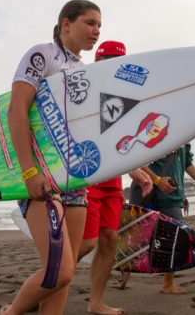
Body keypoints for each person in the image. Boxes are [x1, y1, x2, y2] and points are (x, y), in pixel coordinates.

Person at [1, 0, 101, 315]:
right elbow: (17, 109)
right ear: (66, 23)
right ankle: (11, 312)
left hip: (75, 182)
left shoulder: (82, 70)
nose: (96, 30)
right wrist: (29, 172)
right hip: (43, 180)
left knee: (61, 281)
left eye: (99, 25)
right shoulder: (42, 55)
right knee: (59, 270)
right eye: (90, 22)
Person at [75, 41, 163, 315]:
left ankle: (96, 302)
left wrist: (139, 174)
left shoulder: (123, 101)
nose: (116, 65)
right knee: (86, 243)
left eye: (120, 60)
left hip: (112, 183)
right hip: (87, 181)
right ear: (99, 61)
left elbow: (120, 147)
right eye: (111, 60)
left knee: (110, 239)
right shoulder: (85, 95)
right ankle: (45, 283)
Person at [123, 144, 195, 293]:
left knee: (174, 238)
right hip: (145, 188)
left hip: (171, 194)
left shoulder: (185, 135)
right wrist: (156, 180)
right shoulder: (154, 125)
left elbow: (187, 163)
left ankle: (167, 284)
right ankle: (125, 273)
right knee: (135, 234)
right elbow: (135, 158)